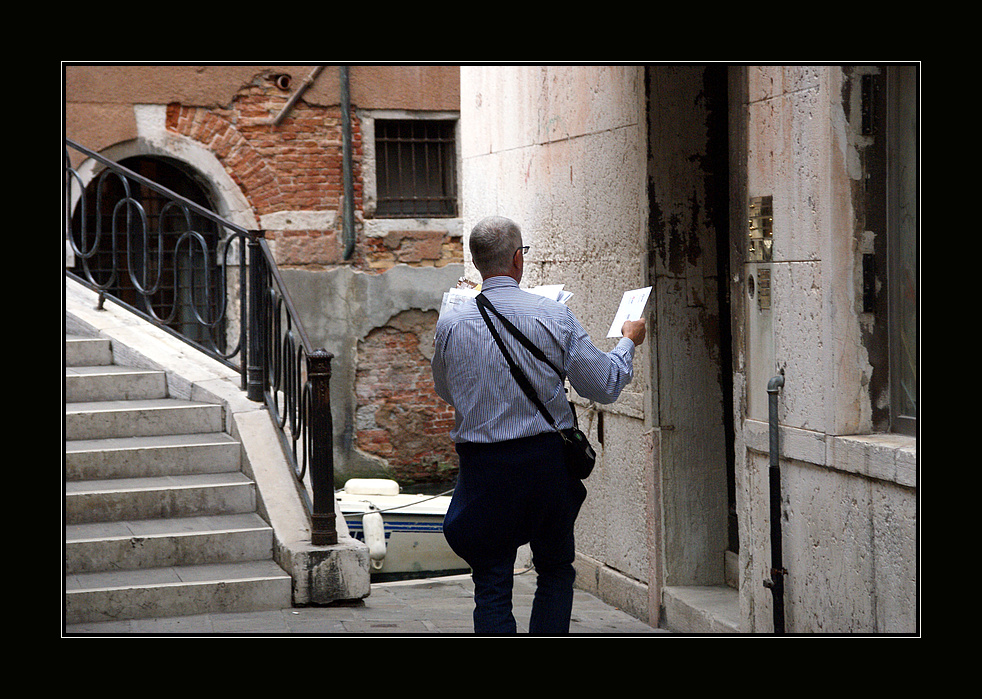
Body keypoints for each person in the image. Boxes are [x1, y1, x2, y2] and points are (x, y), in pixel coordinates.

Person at [431, 215, 646, 634]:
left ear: (477, 264)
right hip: (544, 465)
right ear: (517, 259)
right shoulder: (554, 315)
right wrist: (627, 341)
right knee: (554, 569)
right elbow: (603, 385)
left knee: (491, 581)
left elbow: (446, 390)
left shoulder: (451, 322)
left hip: (483, 467)